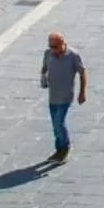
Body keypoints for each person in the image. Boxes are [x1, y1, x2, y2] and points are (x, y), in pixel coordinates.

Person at [39, 31, 87, 161]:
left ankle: (64, 148)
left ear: (62, 44)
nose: (52, 50)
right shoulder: (48, 54)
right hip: (53, 96)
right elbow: (44, 68)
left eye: (55, 47)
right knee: (55, 126)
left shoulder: (73, 55)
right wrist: (43, 76)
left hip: (66, 97)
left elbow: (82, 73)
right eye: (51, 46)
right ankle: (59, 149)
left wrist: (82, 92)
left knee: (59, 123)